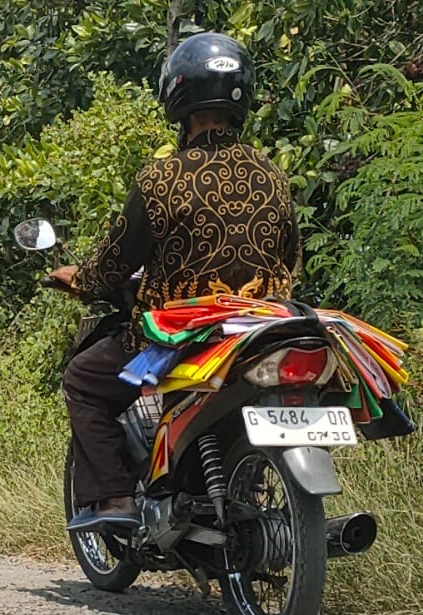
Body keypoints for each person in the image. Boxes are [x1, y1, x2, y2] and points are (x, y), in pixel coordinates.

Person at [49, 32, 301, 531]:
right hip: (261, 329)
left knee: (83, 378)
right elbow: (291, 256)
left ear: (178, 98)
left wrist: (80, 279)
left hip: (184, 334)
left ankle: (116, 499)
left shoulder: (161, 180)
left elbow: (114, 266)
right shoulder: (273, 176)